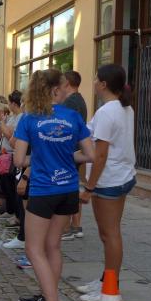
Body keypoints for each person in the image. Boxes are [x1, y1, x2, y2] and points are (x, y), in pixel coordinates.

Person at [13, 69, 94, 301]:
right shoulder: (72, 116)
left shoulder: (29, 118)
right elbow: (89, 154)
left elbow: (18, 160)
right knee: (53, 247)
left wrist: (39, 157)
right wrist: (65, 156)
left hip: (44, 189)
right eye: (63, 87)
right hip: (68, 189)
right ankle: (46, 299)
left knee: (33, 249)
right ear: (56, 89)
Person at [76, 64, 136, 301]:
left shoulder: (108, 111)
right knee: (107, 233)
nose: (93, 82)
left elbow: (100, 155)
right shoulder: (123, 107)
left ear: (103, 84)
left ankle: (111, 288)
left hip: (109, 179)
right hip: (119, 175)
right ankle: (105, 280)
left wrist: (89, 188)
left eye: (95, 79)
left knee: (110, 234)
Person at [61, 70, 89, 241]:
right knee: (73, 186)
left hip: (70, 150)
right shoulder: (80, 100)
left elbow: (66, 128)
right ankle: (76, 226)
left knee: (67, 188)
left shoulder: (70, 102)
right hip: (76, 149)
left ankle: (66, 228)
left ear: (67, 83)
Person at [2, 90, 27, 251]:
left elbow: (12, 141)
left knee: (24, 202)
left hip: (26, 167)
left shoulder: (26, 118)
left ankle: (24, 237)